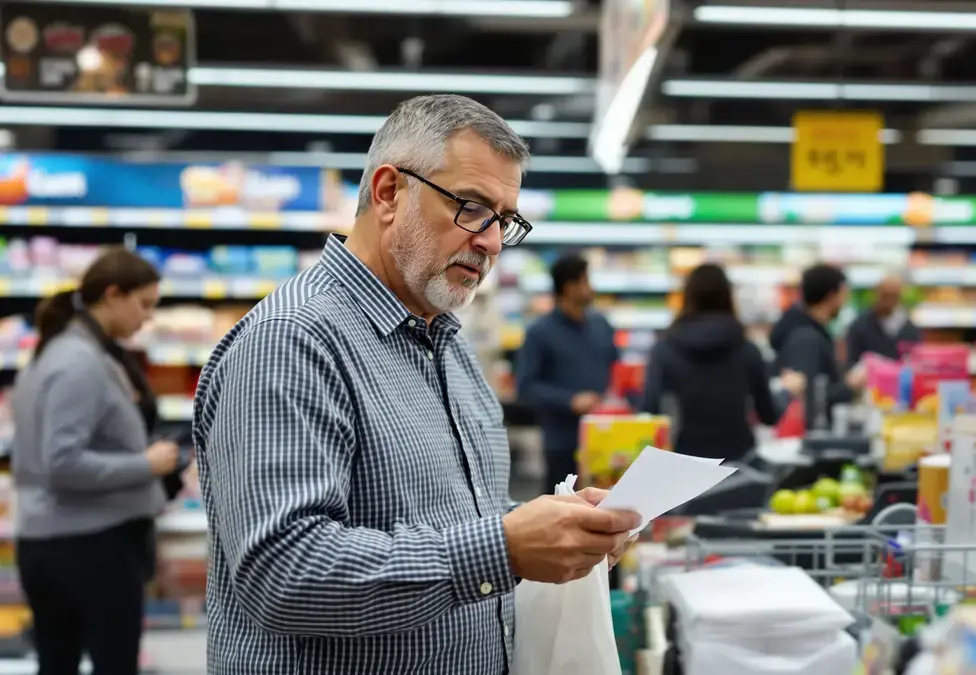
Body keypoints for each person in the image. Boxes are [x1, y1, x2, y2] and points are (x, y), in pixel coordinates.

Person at [191, 95, 640, 674]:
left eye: (505, 221)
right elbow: (283, 574)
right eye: (472, 207)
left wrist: (557, 528)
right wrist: (504, 547)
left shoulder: (447, 343)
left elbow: (453, 515)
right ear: (388, 192)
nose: (491, 242)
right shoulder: (291, 342)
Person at [11, 248, 184, 675]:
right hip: (89, 544)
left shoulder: (59, 353)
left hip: (54, 539)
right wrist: (146, 465)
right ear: (112, 295)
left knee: (57, 662)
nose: (148, 318)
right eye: (143, 304)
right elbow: (62, 463)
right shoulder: (79, 363)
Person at [641, 263, 778, 459]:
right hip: (739, 458)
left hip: (684, 459)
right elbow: (769, 416)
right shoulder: (747, 350)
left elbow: (649, 410)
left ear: (687, 297)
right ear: (728, 297)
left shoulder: (664, 350)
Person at [516, 254, 618, 494]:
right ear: (569, 287)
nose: (591, 287)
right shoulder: (539, 332)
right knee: (563, 507)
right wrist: (570, 400)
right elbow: (526, 387)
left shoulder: (601, 325)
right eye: (585, 281)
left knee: (606, 505)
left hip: (605, 441)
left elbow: (615, 367)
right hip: (562, 442)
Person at [770, 263, 867, 428]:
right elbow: (811, 396)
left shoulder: (804, 330)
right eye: (843, 294)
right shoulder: (806, 338)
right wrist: (849, 387)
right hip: (810, 434)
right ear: (831, 296)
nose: (845, 302)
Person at [845, 273, 920, 366]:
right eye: (885, 296)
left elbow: (916, 360)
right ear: (876, 294)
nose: (888, 301)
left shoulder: (909, 329)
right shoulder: (859, 327)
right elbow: (852, 362)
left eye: (893, 296)